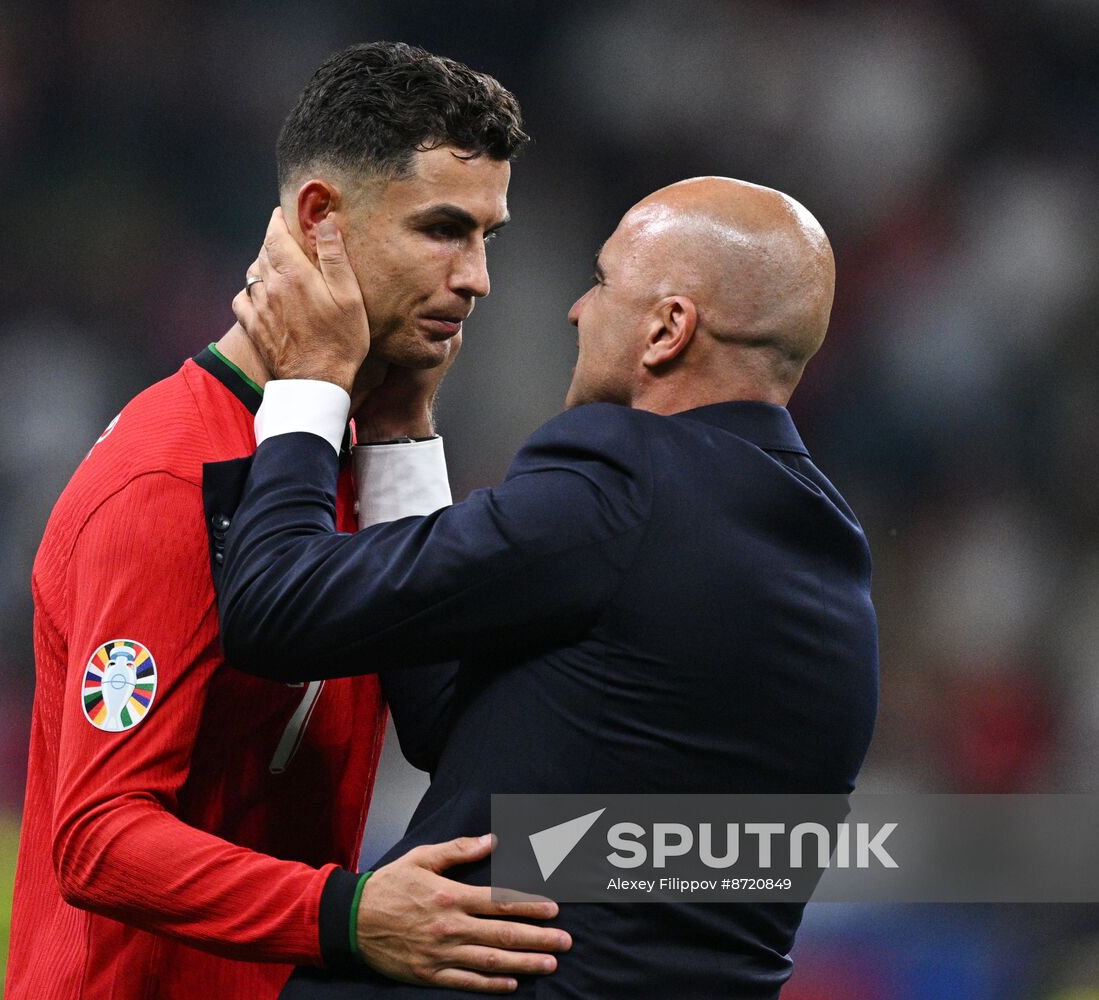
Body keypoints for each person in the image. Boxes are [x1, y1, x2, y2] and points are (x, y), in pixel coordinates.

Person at [209, 176, 880, 998]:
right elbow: (458, 722)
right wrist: (395, 436)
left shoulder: (623, 480)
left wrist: (310, 381)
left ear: (667, 329)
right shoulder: (827, 556)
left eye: (601, 283)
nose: (576, 310)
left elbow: (275, 607)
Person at [5, 42, 572, 1000]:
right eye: (442, 230)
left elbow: (445, 719)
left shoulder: (348, 449)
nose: (475, 278)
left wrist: (400, 433)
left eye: (487, 238)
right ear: (322, 220)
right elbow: (97, 837)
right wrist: (345, 916)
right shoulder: (166, 478)